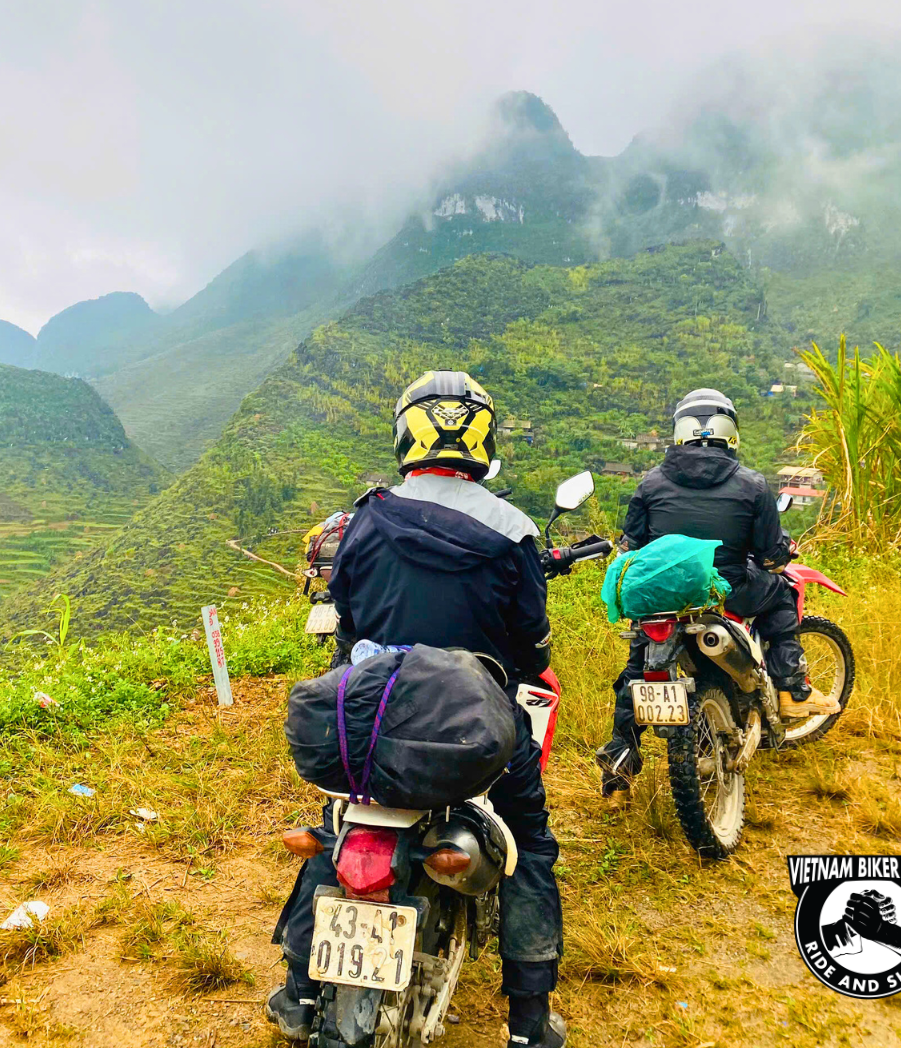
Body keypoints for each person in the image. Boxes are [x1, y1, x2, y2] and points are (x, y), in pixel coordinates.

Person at [268, 370, 568, 1048]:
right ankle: (527, 1023)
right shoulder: (513, 528)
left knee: (338, 823)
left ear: (407, 433)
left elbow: (345, 622)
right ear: (483, 439)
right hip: (471, 725)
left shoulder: (367, 517)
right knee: (532, 844)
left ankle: (297, 991)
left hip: (369, 720)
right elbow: (528, 643)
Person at [597, 388, 840, 796]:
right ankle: (793, 689)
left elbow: (631, 547)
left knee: (638, 667)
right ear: (731, 431)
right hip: (729, 593)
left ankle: (622, 752)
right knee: (781, 592)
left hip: (666, 600)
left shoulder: (651, 482)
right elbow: (769, 557)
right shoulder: (753, 485)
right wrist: (781, 555)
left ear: (680, 432)